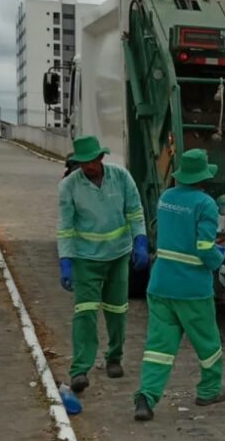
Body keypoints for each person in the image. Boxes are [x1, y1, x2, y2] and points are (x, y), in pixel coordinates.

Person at [133, 149, 225, 421]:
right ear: (203, 177)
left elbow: (178, 238)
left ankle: (146, 397)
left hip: (160, 284)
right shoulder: (205, 204)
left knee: (159, 347)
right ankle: (209, 390)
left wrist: (217, 250)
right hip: (191, 288)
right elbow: (203, 249)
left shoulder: (166, 198)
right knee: (208, 343)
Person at [56, 135, 149, 393]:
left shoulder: (121, 178)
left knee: (117, 310)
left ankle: (114, 357)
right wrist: (65, 260)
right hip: (86, 259)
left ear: (101, 157)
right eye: (83, 163)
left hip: (118, 255)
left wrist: (140, 239)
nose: (88, 167)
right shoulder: (69, 187)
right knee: (84, 313)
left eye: (92, 161)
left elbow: (134, 211)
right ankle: (80, 369)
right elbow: (65, 226)